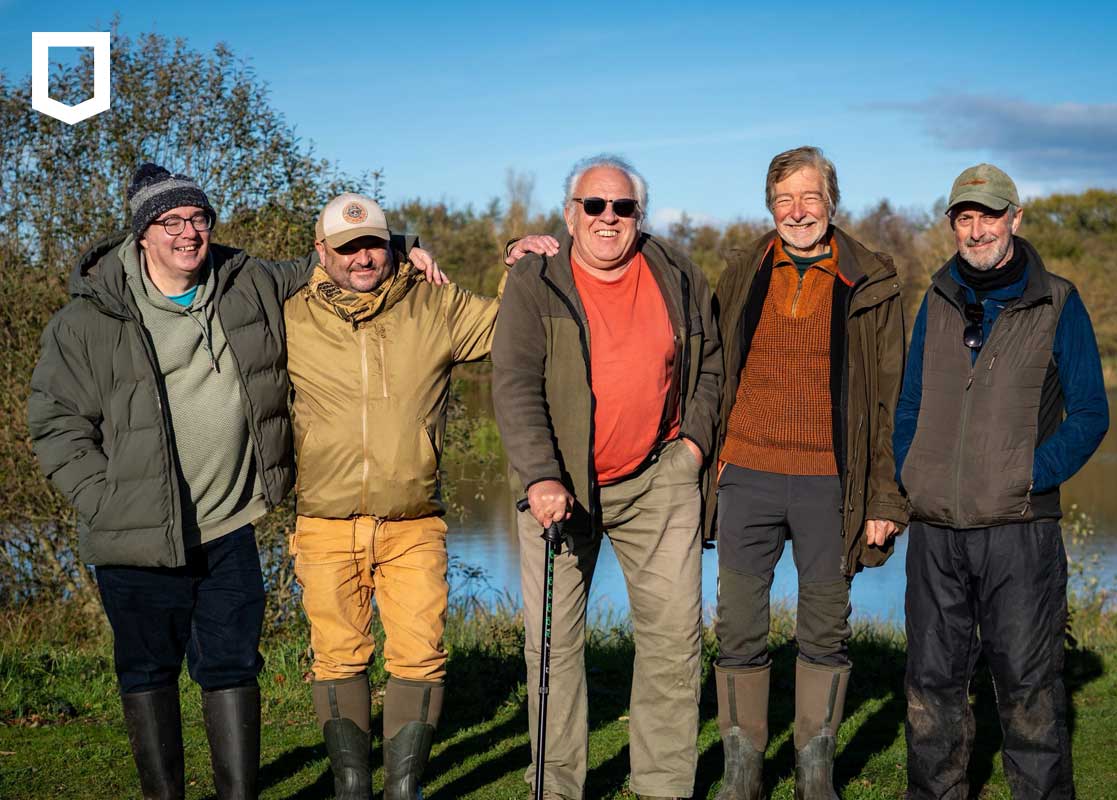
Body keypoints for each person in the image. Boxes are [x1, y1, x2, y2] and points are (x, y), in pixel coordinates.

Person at [27, 166, 442, 800]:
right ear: (142, 235)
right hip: (132, 535)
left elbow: (335, 258)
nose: (188, 234)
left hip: (228, 525)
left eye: (198, 219)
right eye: (171, 223)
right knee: (147, 671)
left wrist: (404, 245)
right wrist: (101, 498)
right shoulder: (87, 320)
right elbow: (55, 423)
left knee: (231, 666)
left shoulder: (245, 280)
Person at [286, 193, 542, 799]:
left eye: (373, 243)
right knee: (335, 657)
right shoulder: (290, 313)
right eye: (346, 247)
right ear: (322, 253)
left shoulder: (436, 303)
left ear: (391, 243)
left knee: (420, 655)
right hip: (324, 519)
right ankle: (352, 785)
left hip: (412, 521)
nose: (361, 257)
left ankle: (404, 788)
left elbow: (512, 326)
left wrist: (520, 264)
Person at [492, 155, 722, 800]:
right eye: (594, 206)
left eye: (623, 208)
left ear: (639, 216)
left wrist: (695, 447)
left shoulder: (677, 272)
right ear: (570, 214)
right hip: (559, 488)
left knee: (674, 639)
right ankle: (557, 788)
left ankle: (664, 787)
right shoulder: (536, 280)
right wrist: (540, 475)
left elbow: (711, 366)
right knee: (555, 649)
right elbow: (514, 384)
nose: (608, 218)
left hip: (660, 476)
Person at [894, 164, 1109, 800]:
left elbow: (1090, 414)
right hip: (935, 528)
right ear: (953, 223)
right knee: (931, 682)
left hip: (1019, 529)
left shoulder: (1058, 302)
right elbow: (909, 404)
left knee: (1028, 685)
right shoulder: (933, 300)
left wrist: (1026, 476)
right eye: (965, 215)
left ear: (1015, 218)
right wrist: (914, 470)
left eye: (989, 214)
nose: (977, 228)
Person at [706, 146, 907, 800]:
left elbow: (891, 400)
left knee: (825, 628)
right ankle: (744, 773)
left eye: (810, 197)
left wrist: (886, 497)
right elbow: (711, 369)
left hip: (832, 485)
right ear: (770, 207)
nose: (798, 211)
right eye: (784, 199)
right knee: (737, 626)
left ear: (831, 202)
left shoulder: (872, 280)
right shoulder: (742, 271)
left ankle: (815, 775)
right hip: (747, 475)